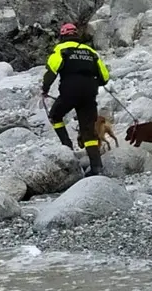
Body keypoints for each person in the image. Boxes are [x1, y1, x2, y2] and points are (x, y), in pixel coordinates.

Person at [40, 22, 110, 177]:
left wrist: (45, 89)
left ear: (62, 36)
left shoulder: (60, 49)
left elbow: (51, 71)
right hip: (89, 94)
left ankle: (67, 147)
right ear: (77, 36)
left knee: (55, 116)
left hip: (69, 92)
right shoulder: (91, 52)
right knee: (88, 131)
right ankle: (96, 167)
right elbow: (105, 77)